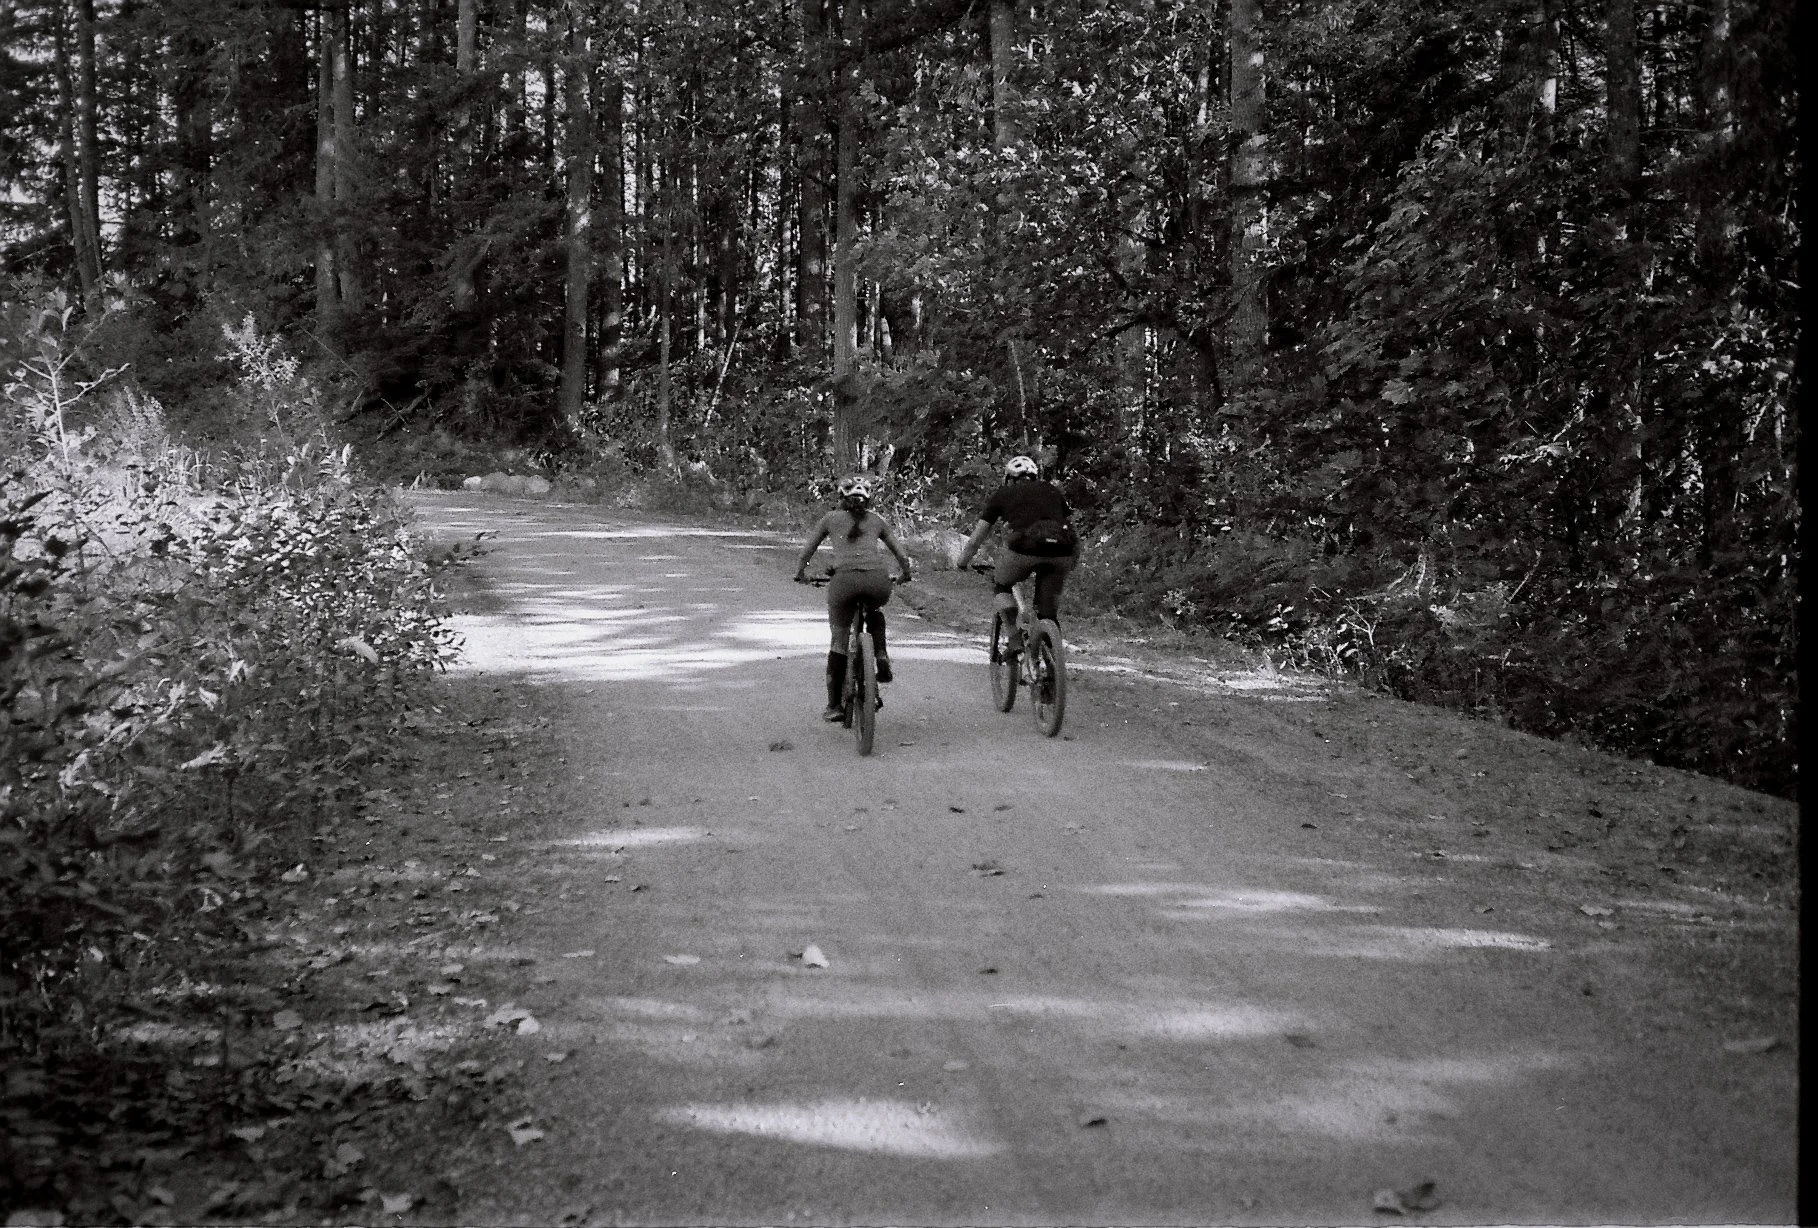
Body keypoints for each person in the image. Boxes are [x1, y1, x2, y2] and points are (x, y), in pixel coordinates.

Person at [794, 475, 915, 721]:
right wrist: (905, 574)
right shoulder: (878, 520)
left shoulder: (830, 519)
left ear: (841, 497)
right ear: (868, 500)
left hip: (844, 582)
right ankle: (880, 653)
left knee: (839, 642)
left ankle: (834, 707)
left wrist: (800, 573)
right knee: (874, 611)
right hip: (878, 581)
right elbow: (902, 555)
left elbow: (807, 552)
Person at [953, 455, 1080, 651]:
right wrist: (1071, 563)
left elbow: (976, 539)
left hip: (1023, 548)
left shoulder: (1004, 493)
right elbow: (1071, 529)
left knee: (1002, 586)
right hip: (1062, 551)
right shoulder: (1052, 490)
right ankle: (1052, 659)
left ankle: (1013, 639)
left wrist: (962, 563)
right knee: (1048, 613)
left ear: (1009, 478)